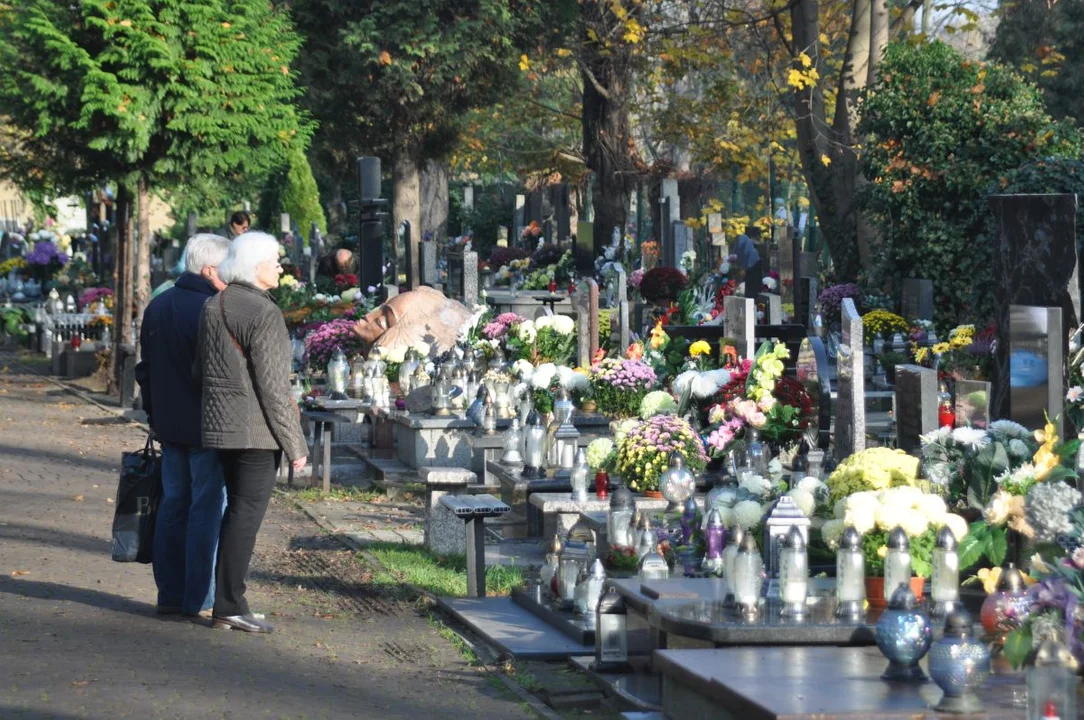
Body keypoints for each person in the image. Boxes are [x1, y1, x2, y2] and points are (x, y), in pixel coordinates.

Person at [198, 232, 307, 633]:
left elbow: (200, 369)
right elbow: (274, 387)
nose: (280, 267)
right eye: (275, 261)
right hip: (257, 432)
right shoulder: (263, 312)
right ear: (255, 267)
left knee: (234, 515)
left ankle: (229, 601)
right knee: (246, 516)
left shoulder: (214, 303)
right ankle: (229, 604)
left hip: (221, 426)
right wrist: (296, 445)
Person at [135, 234, 231, 619]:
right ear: (209, 269)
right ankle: (200, 598)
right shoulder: (212, 308)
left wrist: (154, 413)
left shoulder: (157, 307)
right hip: (207, 426)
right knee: (205, 509)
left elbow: (145, 370)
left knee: (173, 506)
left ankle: (170, 594)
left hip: (169, 425)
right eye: (226, 268)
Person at [730, 225, 763, 299]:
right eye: (758, 237)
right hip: (751, 280)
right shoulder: (753, 250)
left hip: (739, 278)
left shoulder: (739, 242)